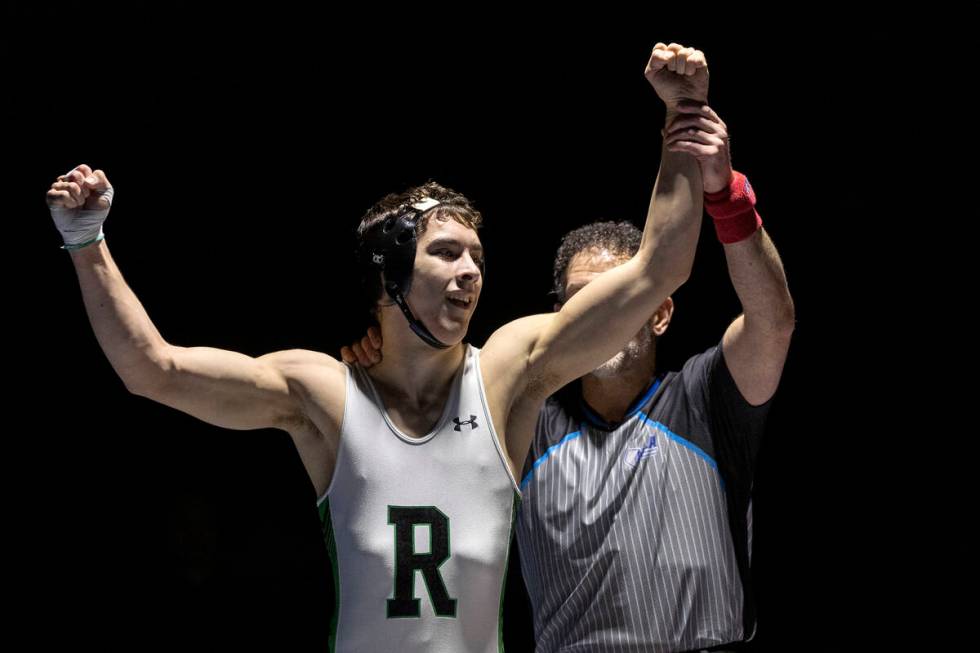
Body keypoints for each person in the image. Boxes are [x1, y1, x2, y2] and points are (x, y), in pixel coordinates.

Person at [47, 42, 708, 653]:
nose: (471, 271)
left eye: (478, 255)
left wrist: (683, 115)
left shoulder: (510, 370)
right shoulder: (325, 394)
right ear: (393, 278)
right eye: (447, 253)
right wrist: (86, 241)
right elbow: (152, 368)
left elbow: (658, 271)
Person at [346, 98, 795, 651]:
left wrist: (726, 194)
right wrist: (376, 343)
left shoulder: (707, 397)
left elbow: (773, 322)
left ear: (657, 312)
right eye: (584, 306)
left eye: (621, 303)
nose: (604, 320)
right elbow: (416, 382)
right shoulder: (521, 415)